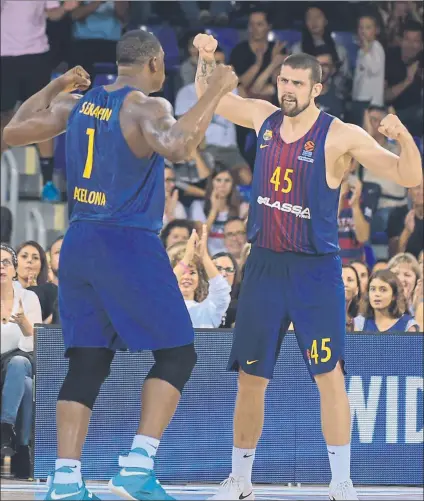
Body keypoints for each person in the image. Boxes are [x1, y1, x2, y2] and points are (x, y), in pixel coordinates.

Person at [3, 28, 238, 501]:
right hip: (127, 239)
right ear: (153, 65)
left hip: (80, 241)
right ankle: (137, 466)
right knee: (178, 352)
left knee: (88, 360)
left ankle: (65, 479)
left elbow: (11, 130)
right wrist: (215, 88)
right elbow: (179, 146)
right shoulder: (148, 107)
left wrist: (53, 87)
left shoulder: (77, 104)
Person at [193, 33, 422, 501]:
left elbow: (409, 176)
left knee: (329, 374)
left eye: (298, 83)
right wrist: (204, 57)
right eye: (283, 81)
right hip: (263, 266)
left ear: (317, 88)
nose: (288, 90)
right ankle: (241, 479)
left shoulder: (340, 134)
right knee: (251, 377)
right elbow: (208, 96)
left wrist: (402, 138)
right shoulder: (263, 116)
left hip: (315, 272)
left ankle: (341, 481)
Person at [354, 269, 419, 333]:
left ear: (394, 295)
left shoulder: (408, 325)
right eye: (373, 289)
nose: (377, 294)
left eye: (383, 290)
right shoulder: (360, 322)